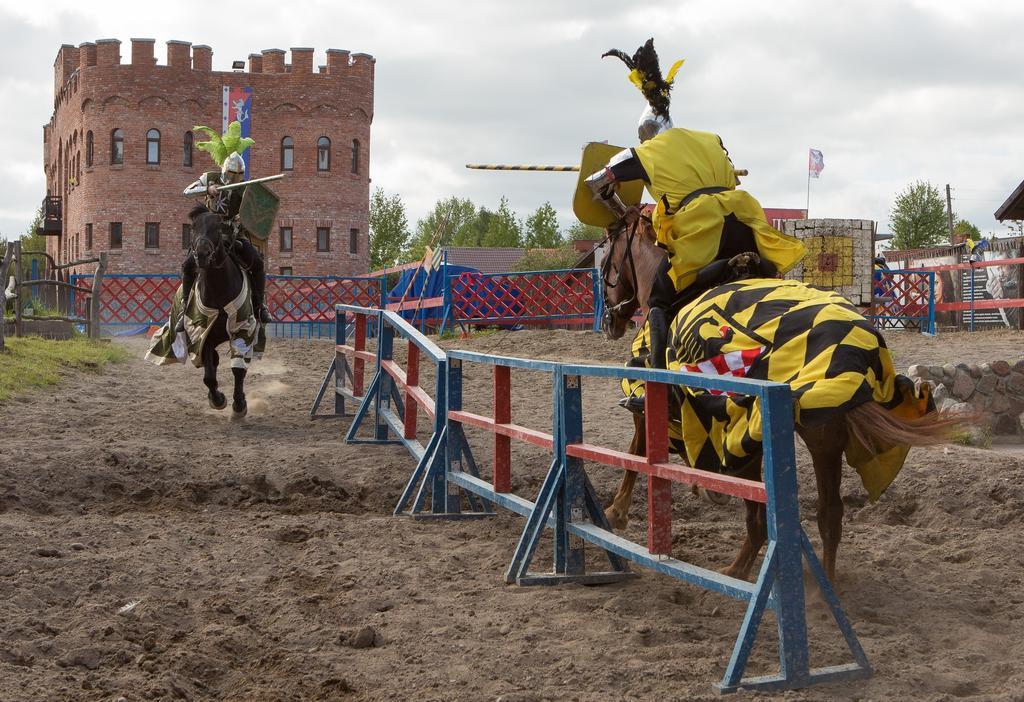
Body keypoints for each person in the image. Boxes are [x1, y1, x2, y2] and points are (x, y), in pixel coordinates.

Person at [586, 39, 807, 369]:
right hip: (745, 223)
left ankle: (662, 380)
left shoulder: (643, 153)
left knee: (658, 299)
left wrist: (622, 209)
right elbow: (728, 179)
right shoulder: (710, 139)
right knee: (764, 278)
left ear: (645, 134)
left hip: (701, 234)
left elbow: (595, 183)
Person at [180, 150, 269, 329]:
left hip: (232, 233)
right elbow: (187, 192)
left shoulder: (244, 187)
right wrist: (207, 189)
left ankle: (259, 306)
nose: (234, 177)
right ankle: (184, 307)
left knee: (257, 263)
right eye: (231, 173)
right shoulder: (210, 177)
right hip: (208, 233)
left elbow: (253, 214)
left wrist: (242, 219)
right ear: (224, 170)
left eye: (238, 174)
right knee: (188, 264)